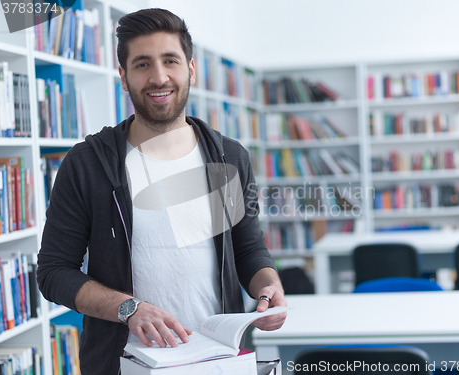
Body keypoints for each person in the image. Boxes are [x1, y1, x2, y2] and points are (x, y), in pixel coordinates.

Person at [37, 8, 287, 375]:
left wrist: (269, 285)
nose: (159, 77)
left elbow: (248, 248)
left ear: (191, 68)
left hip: (218, 361)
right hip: (121, 363)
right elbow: (54, 272)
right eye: (142, 64)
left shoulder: (229, 158)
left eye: (170, 60)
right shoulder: (87, 163)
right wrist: (129, 308)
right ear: (123, 76)